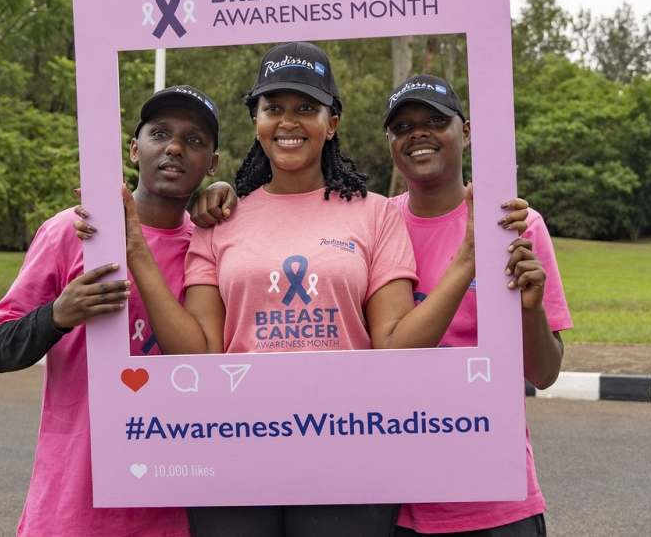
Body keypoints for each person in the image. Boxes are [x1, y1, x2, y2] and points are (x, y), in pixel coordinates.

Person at [116, 42, 510, 537]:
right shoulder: (220, 220)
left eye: (306, 108)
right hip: (234, 450)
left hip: (349, 453)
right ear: (256, 121)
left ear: (332, 122)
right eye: (273, 108)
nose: (288, 121)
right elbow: (199, 355)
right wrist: (136, 252)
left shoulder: (376, 214)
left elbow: (393, 348)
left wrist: (469, 259)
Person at [0, 85, 222, 537]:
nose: (174, 147)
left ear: (211, 165)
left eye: (195, 140)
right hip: (71, 508)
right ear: (134, 150)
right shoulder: (72, 230)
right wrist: (57, 314)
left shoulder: (213, 246)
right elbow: (0, 348)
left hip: (172, 511)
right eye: (159, 134)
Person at [383, 75, 570, 537]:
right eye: (402, 126)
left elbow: (544, 374)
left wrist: (530, 310)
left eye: (434, 121)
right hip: (400, 501)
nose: (418, 133)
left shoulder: (516, 224)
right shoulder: (378, 224)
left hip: (498, 499)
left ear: (465, 132)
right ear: (390, 143)